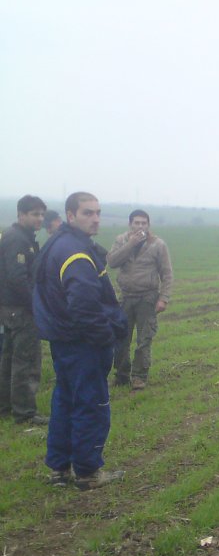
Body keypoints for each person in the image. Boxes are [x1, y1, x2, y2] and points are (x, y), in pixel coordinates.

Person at [33, 192, 127, 490]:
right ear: (70, 215)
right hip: (83, 344)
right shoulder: (76, 254)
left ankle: (59, 469)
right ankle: (88, 472)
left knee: (65, 400)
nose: (95, 219)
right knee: (91, 404)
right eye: (87, 213)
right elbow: (85, 308)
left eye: (98, 212)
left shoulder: (58, 243)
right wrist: (106, 338)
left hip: (64, 340)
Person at [106, 209, 173, 389]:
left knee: (144, 340)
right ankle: (121, 375)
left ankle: (139, 377)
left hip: (148, 297)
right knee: (121, 338)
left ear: (148, 225)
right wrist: (130, 244)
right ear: (130, 224)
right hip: (126, 297)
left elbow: (167, 274)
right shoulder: (120, 241)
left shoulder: (158, 244)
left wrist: (164, 298)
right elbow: (112, 262)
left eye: (144, 223)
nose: (140, 226)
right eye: (137, 223)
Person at [0, 195, 47, 424]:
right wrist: (36, 305)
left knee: (9, 359)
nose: (40, 219)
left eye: (42, 214)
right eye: (35, 214)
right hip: (21, 310)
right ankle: (25, 413)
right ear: (21, 215)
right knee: (26, 361)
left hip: (10, 308)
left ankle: (6, 406)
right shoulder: (18, 239)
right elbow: (18, 279)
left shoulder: (17, 236)